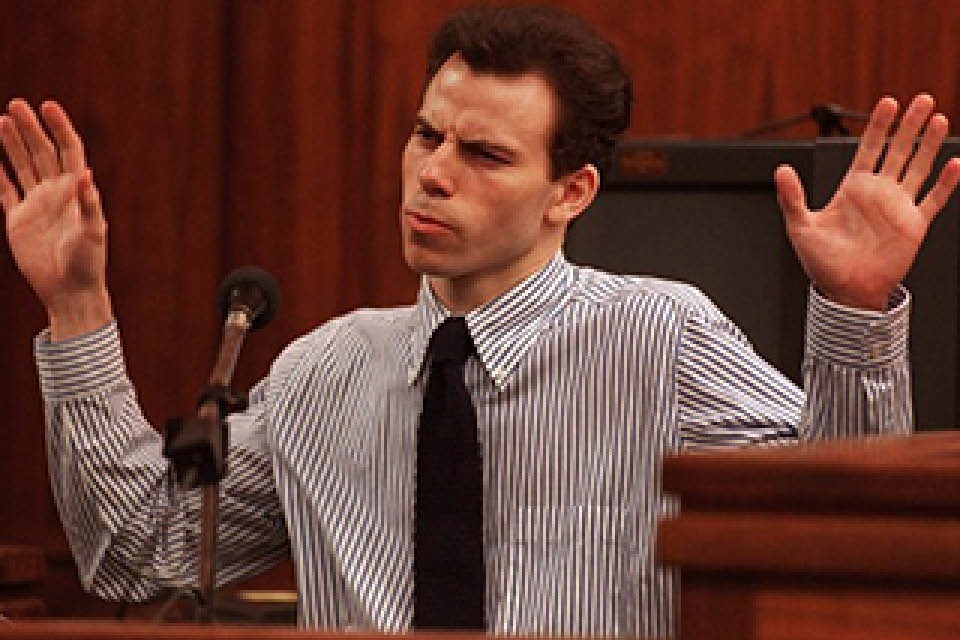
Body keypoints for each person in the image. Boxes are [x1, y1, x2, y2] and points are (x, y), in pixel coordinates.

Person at [2, 4, 959, 637]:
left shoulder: (661, 337)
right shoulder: (321, 371)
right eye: (427, 135)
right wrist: (75, 304)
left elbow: (842, 542)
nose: (433, 172)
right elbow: (138, 549)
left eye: (485, 155)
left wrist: (854, 309)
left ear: (570, 191)